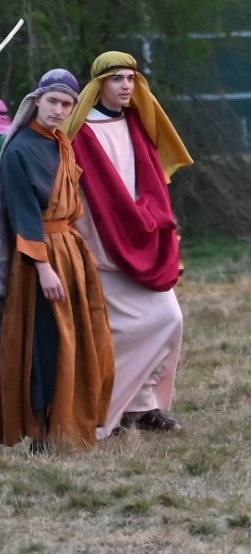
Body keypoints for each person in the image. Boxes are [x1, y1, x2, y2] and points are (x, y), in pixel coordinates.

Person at [60, 51, 193, 436]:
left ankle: (141, 404)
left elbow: (151, 185)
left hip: (142, 238)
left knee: (168, 319)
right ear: (99, 84)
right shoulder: (80, 131)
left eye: (131, 79)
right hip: (100, 246)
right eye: (117, 78)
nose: (126, 86)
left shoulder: (136, 124)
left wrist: (151, 224)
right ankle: (110, 412)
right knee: (115, 333)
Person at [0, 69, 115, 451]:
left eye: (66, 104)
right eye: (53, 102)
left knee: (80, 339)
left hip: (70, 253)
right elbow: (23, 214)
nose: (58, 110)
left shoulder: (61, 143)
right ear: (36, 101)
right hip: (38, 259)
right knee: (46, 342)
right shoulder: (18, 150)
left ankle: (70, 423)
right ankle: (42, 432)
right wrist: (44, 268)